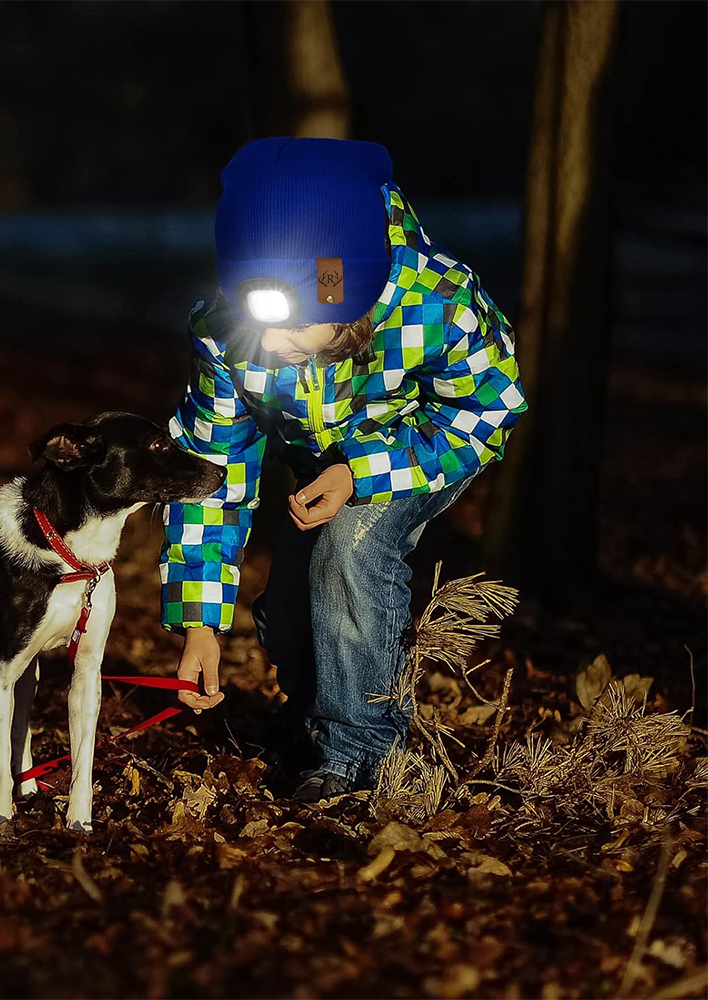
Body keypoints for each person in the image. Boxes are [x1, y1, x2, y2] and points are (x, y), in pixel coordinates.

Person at [159, 137, 526, 801]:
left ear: (341, 292)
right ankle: (312, 724)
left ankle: (362, 761)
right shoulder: (223, 333)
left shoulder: (437, 300)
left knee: (351, 551)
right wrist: (200, 625)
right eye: (254, 317)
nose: (265, 345)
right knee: (292, 612)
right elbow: (210, 476)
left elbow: (488, 409)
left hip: (422, 444)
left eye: (289, 325)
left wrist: (364, 472)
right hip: (316, 458)